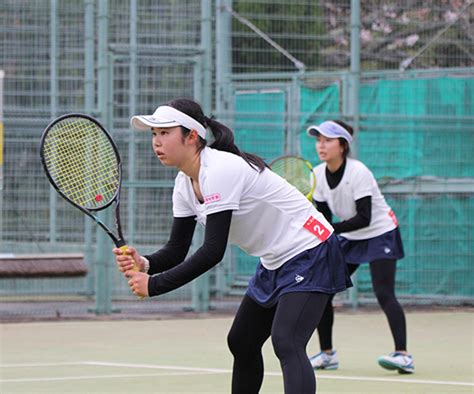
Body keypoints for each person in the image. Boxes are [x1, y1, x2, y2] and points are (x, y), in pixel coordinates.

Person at [113, 98, 352, 394]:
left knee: (287, 341)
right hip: (275, 259)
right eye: (154, 134)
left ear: (192, 136)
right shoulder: (184, 184)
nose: (157, 142)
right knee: (242, 341)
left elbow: (213, 251)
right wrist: (145, 264)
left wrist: (154, 285)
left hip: (312, 247)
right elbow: (177, 248)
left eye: (165, 133)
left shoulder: (220, 169)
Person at [306, 120, 414, 374]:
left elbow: (364, 217)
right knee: (323, 293)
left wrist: (331, 230)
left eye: (327, 140)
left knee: (384, 292)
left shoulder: (358, 172)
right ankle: (328, 354)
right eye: (318, 140)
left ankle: (403, 355)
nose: (321, 145)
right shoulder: (318, 175)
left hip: (380, 232)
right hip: (351, 236)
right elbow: (324, 219)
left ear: (342, 146)